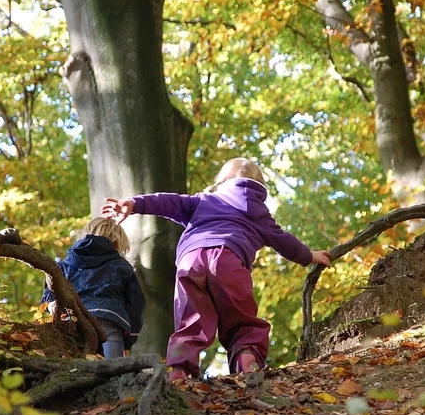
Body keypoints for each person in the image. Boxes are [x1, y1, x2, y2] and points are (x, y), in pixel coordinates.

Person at [102, 158, 331, 379]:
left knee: (190, 322)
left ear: (220, 182)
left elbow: (168, 202)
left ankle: (180, 371)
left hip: (191, 260)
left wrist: (134, 204)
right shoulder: (258, 212)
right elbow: (284, 241)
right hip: (229, 259)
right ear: (260, 186)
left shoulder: (203, 200)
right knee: (241, 321)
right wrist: (310, 255)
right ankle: (247, 362)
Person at [41, 217, 145, 359]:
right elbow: (135, 305)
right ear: (116, 243)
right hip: (109, 320)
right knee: (113, 369)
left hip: (73, 320)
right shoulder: (121, 265)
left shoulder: (65, 264)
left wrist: (51, 305)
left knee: (74, 367)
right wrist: (129, 341)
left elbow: (49, 293)